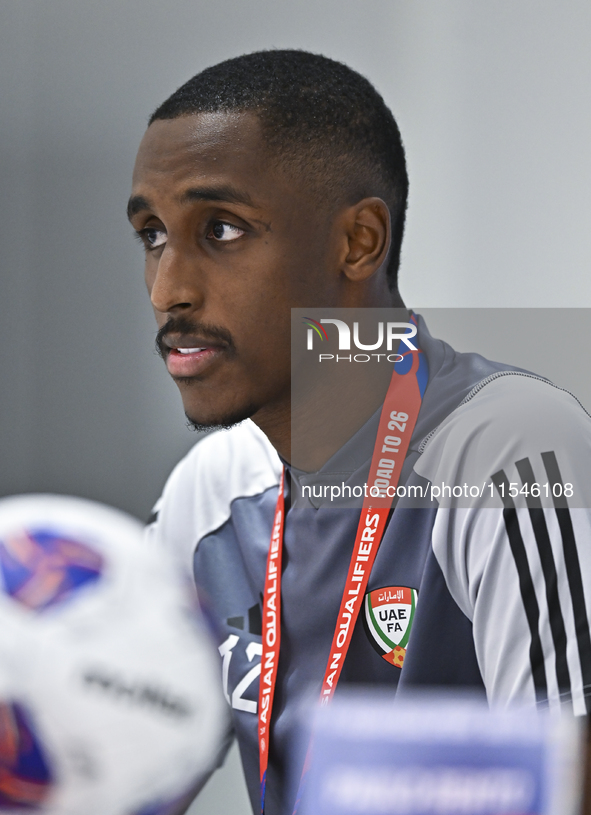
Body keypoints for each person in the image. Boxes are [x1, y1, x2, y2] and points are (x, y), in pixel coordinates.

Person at [129, 50, 591, 815]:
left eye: (219, 228)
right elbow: (114, 763)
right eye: (151, 234)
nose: (167, 288)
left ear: (357, 243)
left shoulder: (508, 447)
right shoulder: (212, 488)